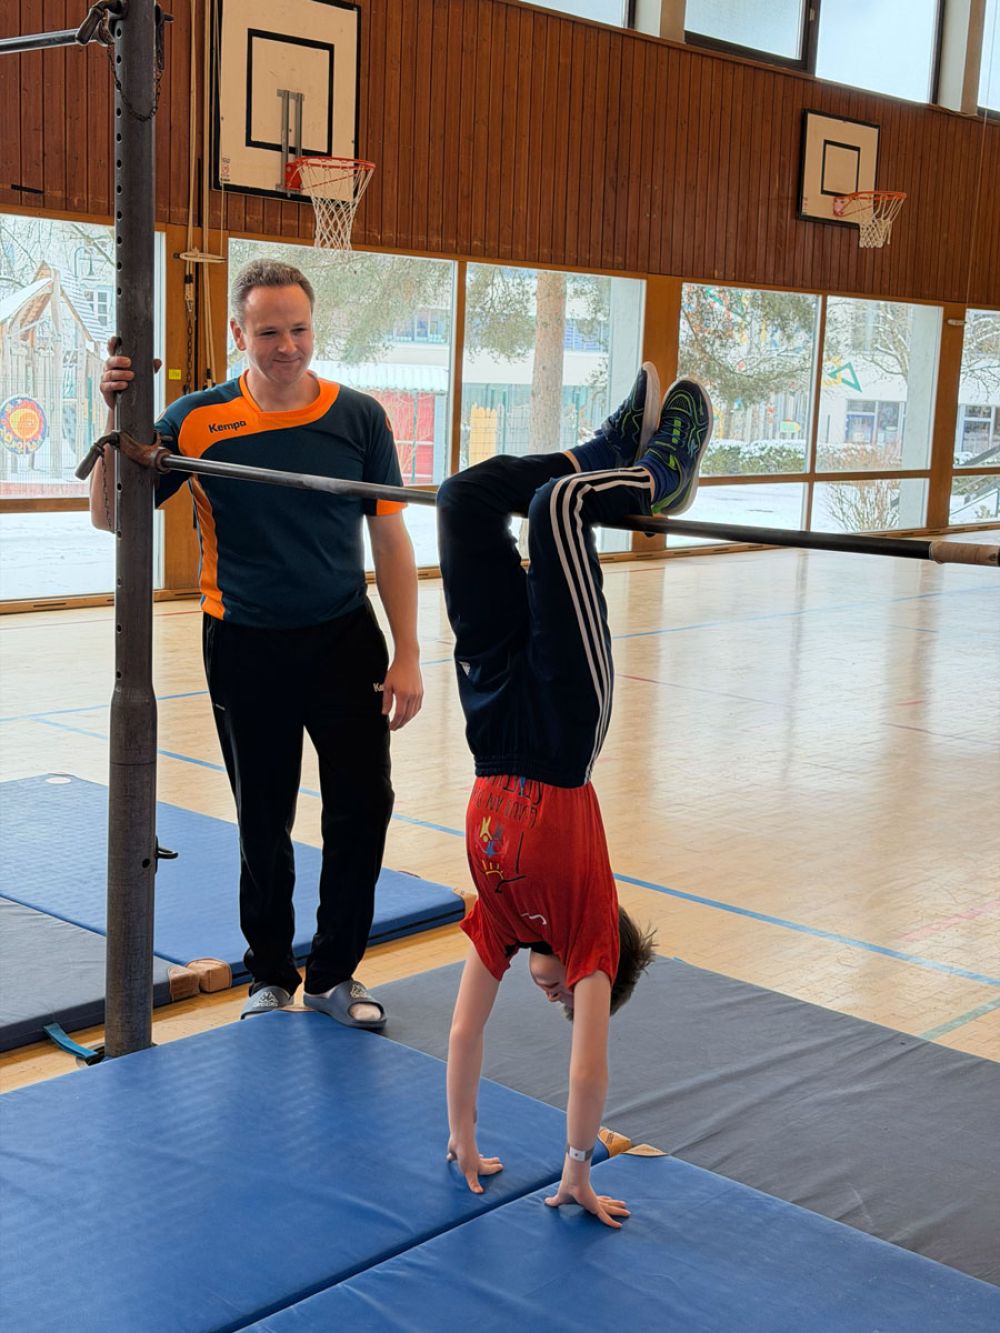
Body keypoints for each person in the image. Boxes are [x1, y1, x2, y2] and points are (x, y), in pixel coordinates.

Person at [90, 259, 423, 1027]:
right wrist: (112, 413)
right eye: (268, 331)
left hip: (345, 637)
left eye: (299, 328)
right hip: (245, 642)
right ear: (239, 333)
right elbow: (113, 517)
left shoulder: (359, 417)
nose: (287, 345)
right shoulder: (197, 419)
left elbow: (391, 533)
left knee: (363, 804)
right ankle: (269, 974)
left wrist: (407, 649)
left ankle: (337, 974)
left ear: (314, 328)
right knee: (261, 817)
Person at [437, 364, 713, 1227]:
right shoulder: (591, 934)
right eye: (568, 1002)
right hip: (561, 724)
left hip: (490, 717)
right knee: (559, 505)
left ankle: (602, 450)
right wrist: (576, 1165)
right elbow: (588, 1071)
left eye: (557, 1001)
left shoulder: (499, 926)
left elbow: (462, 1036)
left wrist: (463, 1130)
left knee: (464, 495)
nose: (555, 998)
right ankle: (659, 474)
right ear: (602, 971)